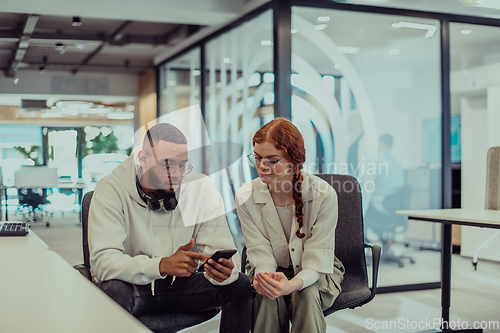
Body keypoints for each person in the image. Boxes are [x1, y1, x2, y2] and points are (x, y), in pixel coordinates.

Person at [88, 123, 252, 333]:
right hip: (134, 289)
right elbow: (102, 263)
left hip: (183, 288)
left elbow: (223, 253)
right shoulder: (111, 189)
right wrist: (161, 265)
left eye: (182, 165)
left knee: (240, 285)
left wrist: (223, 272)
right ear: (143, 160)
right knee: (114, 289)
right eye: (167, 164)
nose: (176, 174)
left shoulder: (200, 188)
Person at [235, 118, 344, 333]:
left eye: (272, 160)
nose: (262, 166)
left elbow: (316, 261)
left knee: (306, 293)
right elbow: (259, 252)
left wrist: (291, 285)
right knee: (266, 294)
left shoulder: (323, 195)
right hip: (268, 265)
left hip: (318, 268)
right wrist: (267, 278)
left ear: (294, 161)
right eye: (257, 158)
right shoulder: (245, 196)